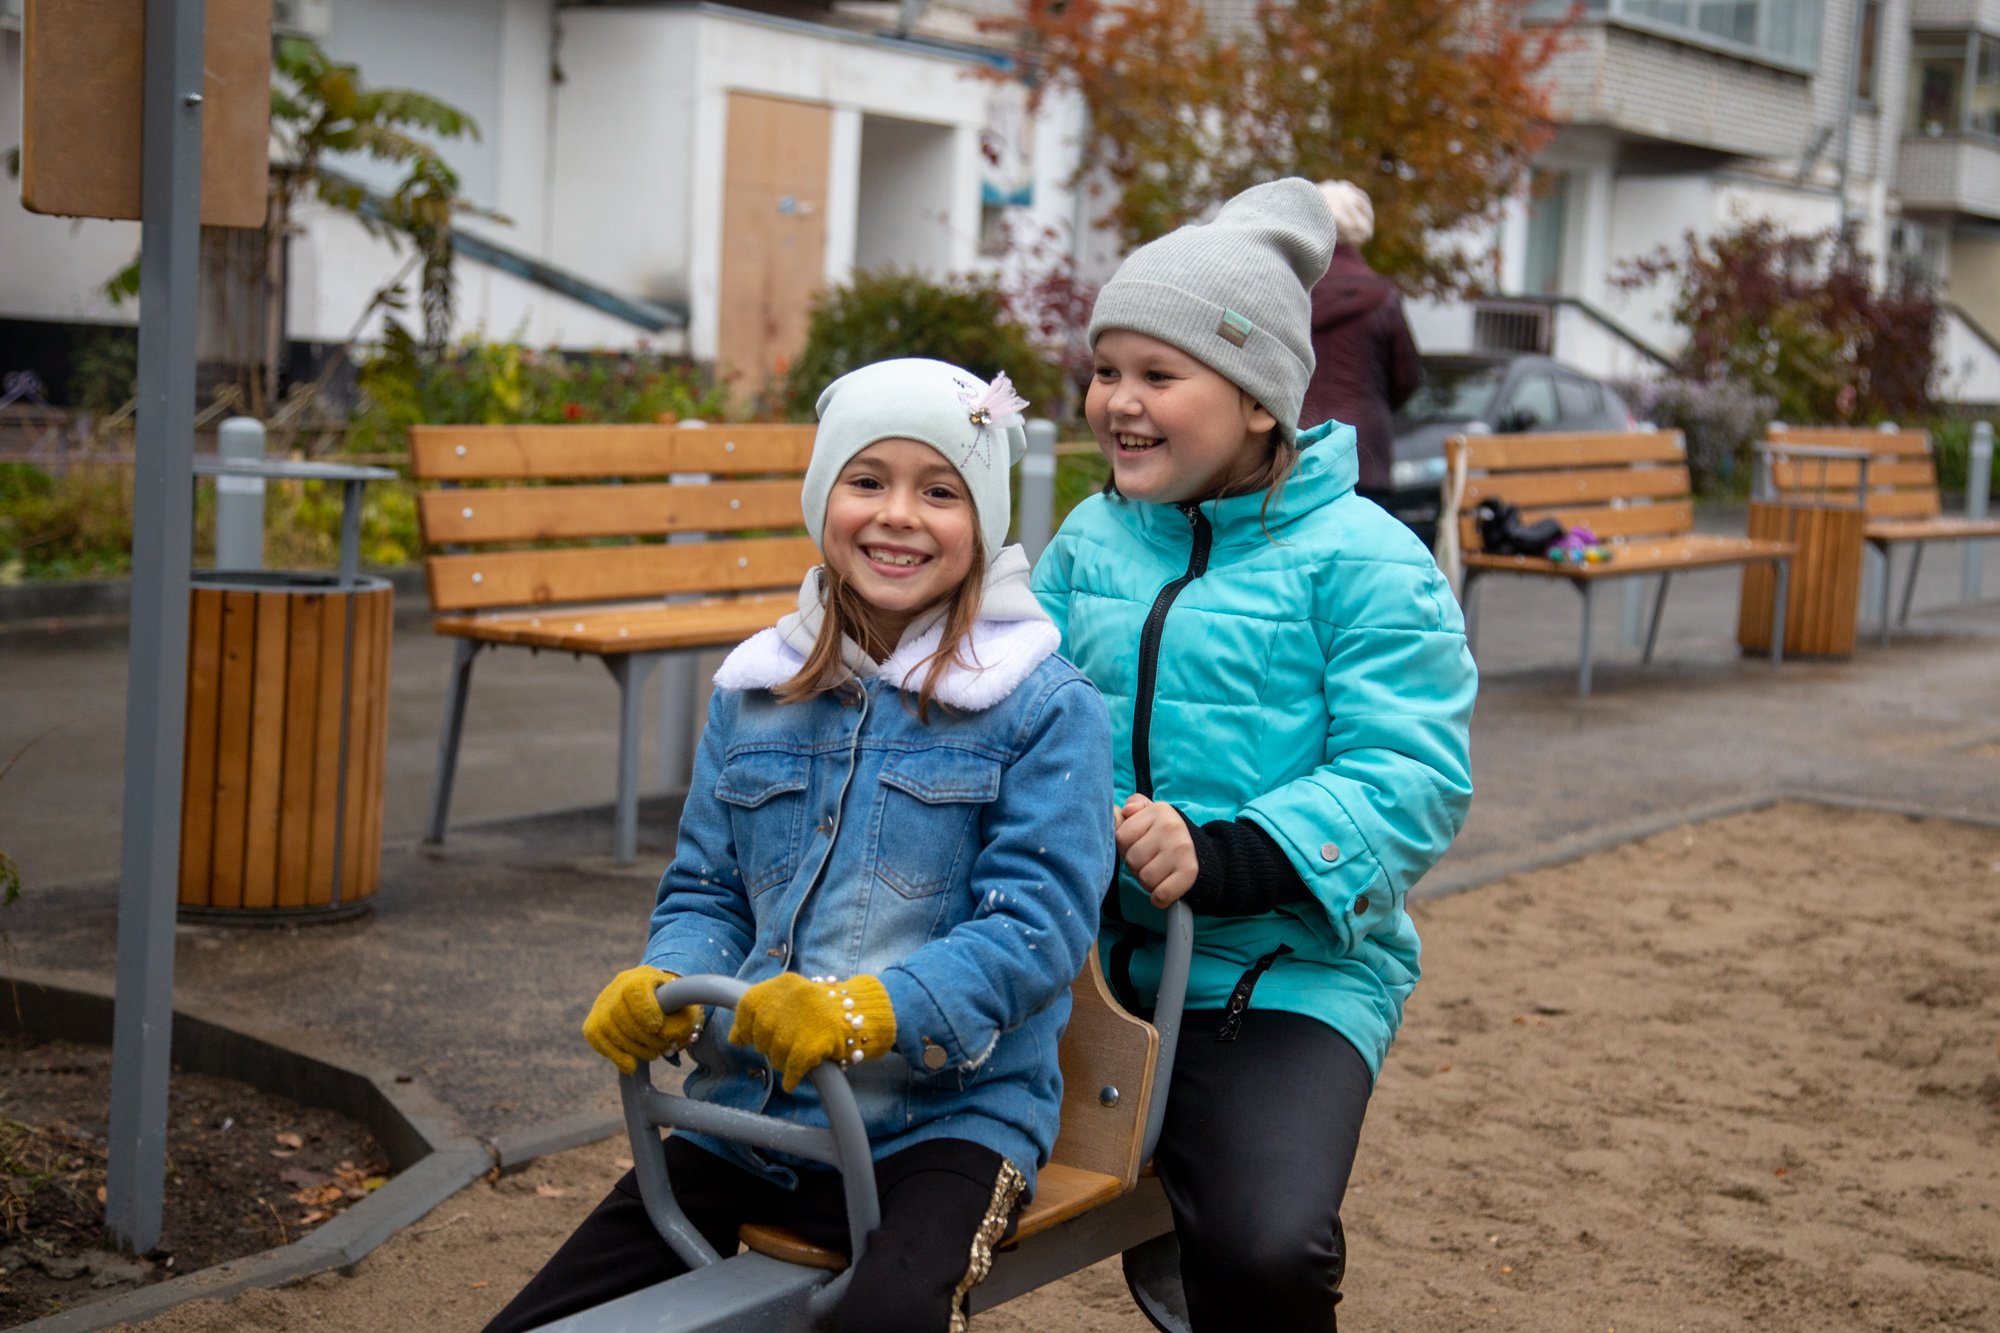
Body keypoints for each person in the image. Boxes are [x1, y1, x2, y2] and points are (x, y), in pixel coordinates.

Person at [485, 358, 1115, 1333]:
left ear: (982, 522)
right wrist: (665, 978)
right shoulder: (756, 693)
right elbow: (708, 890)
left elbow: (1035, 930)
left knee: (882, 1318)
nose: (897, 514)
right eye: (866, 480)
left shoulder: (1038, 704)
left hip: (940, 1127)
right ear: (824, 497)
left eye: (939, 490)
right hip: (750, 1115)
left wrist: (870, 1009)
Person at [1031, 178, 1476, 1329]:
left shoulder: (1365, 561)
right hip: (1079, 958)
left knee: (1270, 1243)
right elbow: (1019, 705)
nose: (1117, 402)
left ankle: (1219, 1237)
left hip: (1278, 974)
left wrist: (1225, 854)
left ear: (1262, 403)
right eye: (1106, 368)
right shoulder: (1087, 542)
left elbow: (1410, 774)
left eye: (1157, 374)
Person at [1299, 179, 1422, 510]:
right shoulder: (1382, 297)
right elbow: (1407, 378)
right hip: (1365, 454)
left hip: (1296, 453)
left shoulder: (1292, 291)